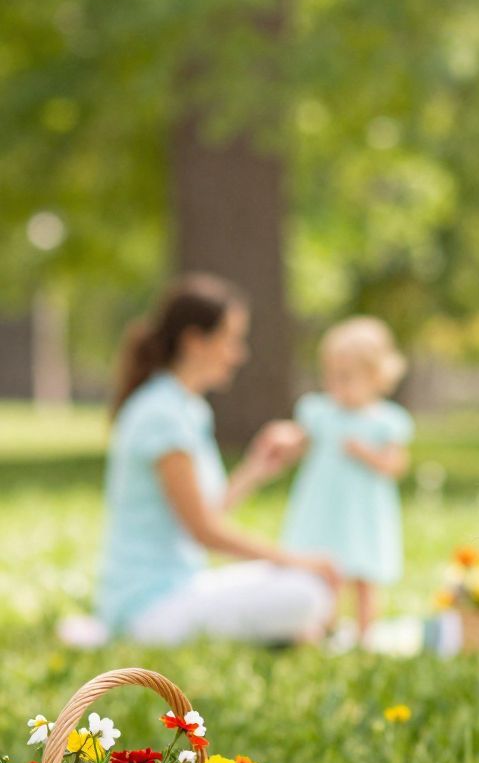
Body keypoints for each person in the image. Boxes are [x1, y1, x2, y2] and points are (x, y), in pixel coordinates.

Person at [91, 275, 338, 646]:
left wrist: (257, 466)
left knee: (302, 585)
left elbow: (205, 511)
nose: (239, 354)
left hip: (182, 586)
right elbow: (203, 531)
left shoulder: (187, 408)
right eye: (232, 339)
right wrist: (296, 560)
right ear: (194, 341)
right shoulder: (162, 414)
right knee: (305, 591)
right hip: (148, 607)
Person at [279, 317, 414, 646]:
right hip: (325, 504)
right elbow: (302, 443)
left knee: (365, 573)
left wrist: (367, 454)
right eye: (331, 377)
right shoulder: (320, 412)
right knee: (327, 570)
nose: (336, 386)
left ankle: (366, 632)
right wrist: (288, 443)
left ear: (375, 377)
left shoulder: (386, 421)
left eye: (346, 378)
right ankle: (325, 625)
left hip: (362, 509)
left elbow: (397, 465)